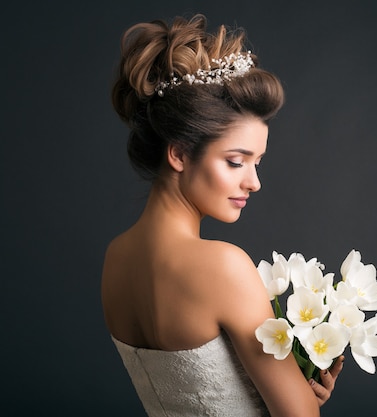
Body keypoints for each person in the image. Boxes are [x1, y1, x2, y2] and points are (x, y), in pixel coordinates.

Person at [101, 14, 343, 417]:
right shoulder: (222, 267)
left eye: (257, 162)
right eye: (236, 161)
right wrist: (301, 397)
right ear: (178, 153)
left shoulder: (116, 258)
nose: (254, 183)